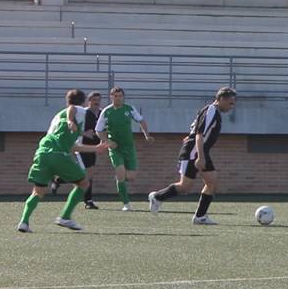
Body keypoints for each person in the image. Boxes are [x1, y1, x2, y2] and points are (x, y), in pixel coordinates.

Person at [17, 89, 109, 232]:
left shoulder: (57, 117)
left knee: (38, 192)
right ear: (83, 101)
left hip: (42, 154)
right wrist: (71, 120)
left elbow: (72, 146)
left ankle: (24, 222)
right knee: (84, 183)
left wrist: (95, 149)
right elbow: (73, 108)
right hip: (59, 155)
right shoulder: (78, 111)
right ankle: (65, 217)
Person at [148, 87, 238, 225]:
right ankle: (157, 197)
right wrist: (200, 157)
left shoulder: (212, 111)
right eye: (230, 103)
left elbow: (195, 129)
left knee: (212, 182)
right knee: (185, 186)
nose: (231, 106)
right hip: (194, 152)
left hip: (200, 151)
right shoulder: (211, 111)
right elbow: (199, 134)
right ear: (221, 99)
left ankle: (200, 217)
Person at [95, 86, 153, 211]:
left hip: (129, 147)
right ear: (111, 97)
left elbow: (141, 121)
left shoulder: (129, 109)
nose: (118, 98)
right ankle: (126, 204)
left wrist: (146, 135)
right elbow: (98, 130)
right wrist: (108, 141)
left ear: (123, 97)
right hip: (115, 148)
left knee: (131, 176)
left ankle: (119, 179)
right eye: (115, 96)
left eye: (120, 96)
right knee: (121, 174)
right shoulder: (106, 112)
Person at [49, 90, 103, 209]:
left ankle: (59, 180)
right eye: (94, 100)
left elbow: (103, 128)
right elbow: (73, 116)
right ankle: (88, 201)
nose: (97, 102)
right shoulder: (83, 111)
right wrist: (84, 132)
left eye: (98, 100)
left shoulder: (101, 113)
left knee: (88, 174)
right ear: (88, 101)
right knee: (86, 175)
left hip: (92, 148)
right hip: (81, 146)